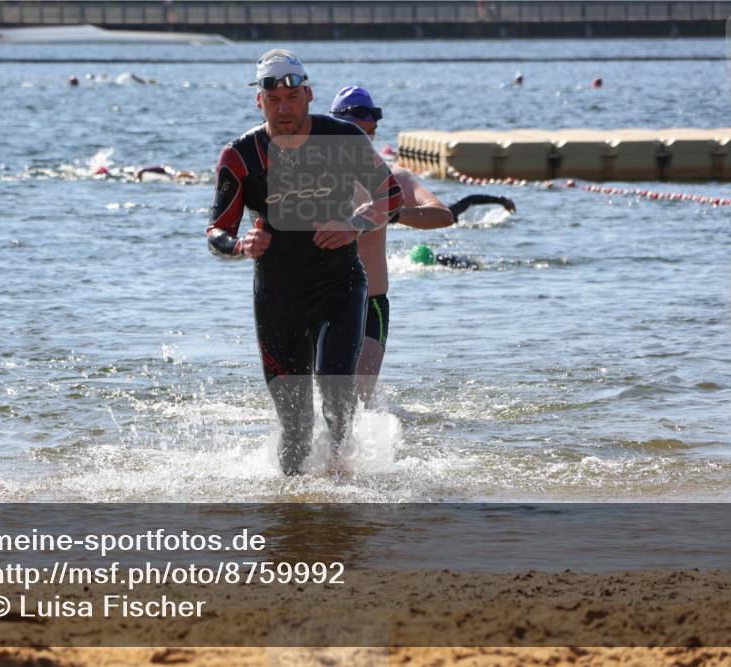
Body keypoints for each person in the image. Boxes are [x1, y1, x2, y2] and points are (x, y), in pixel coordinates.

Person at [206, 51, 402, 475]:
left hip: (340, 286)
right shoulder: (240, 156)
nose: (284, 109)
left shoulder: (344, 140)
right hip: (277, 296)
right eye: (273, 100)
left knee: (336, 394)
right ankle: (292, 510)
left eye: (292, 98)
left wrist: (353, 225)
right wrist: (241, 246)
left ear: (309, 95)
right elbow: (216, 233)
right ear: (259, 103)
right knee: (294, 426)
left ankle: (341, 490)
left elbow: (391, 195)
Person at [324, 86, 515, 403]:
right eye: (356, 134)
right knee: (323, 398)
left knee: (358, 399)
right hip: (324, 303)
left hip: (372, 304)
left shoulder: (393, 176)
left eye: (370, 133)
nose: (364, 142)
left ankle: (362, 448)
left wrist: (393, 213)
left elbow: (442, 216)